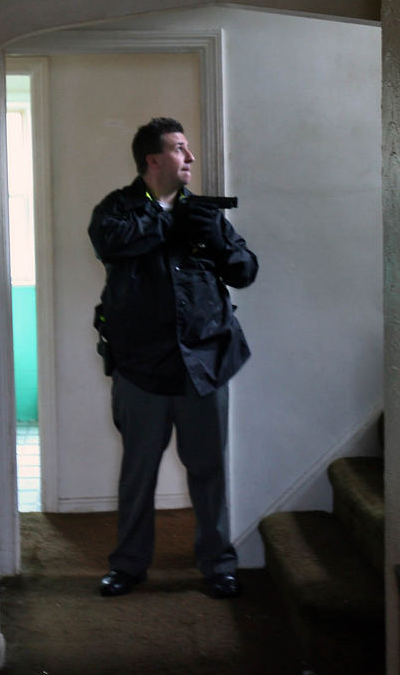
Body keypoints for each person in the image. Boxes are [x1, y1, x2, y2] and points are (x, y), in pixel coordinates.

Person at [87, 117, 258, 599]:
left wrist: (220, 239)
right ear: (153, 159)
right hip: (140, 369)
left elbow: (245, 271)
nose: (191, 158)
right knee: (138, 474)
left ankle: (218, 565)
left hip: (205, 365)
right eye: (181, 149)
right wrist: (166, 218)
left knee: (210, 472)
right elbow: (110, 244)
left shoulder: (205, 213)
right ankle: (129, 565)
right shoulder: (116, 210)